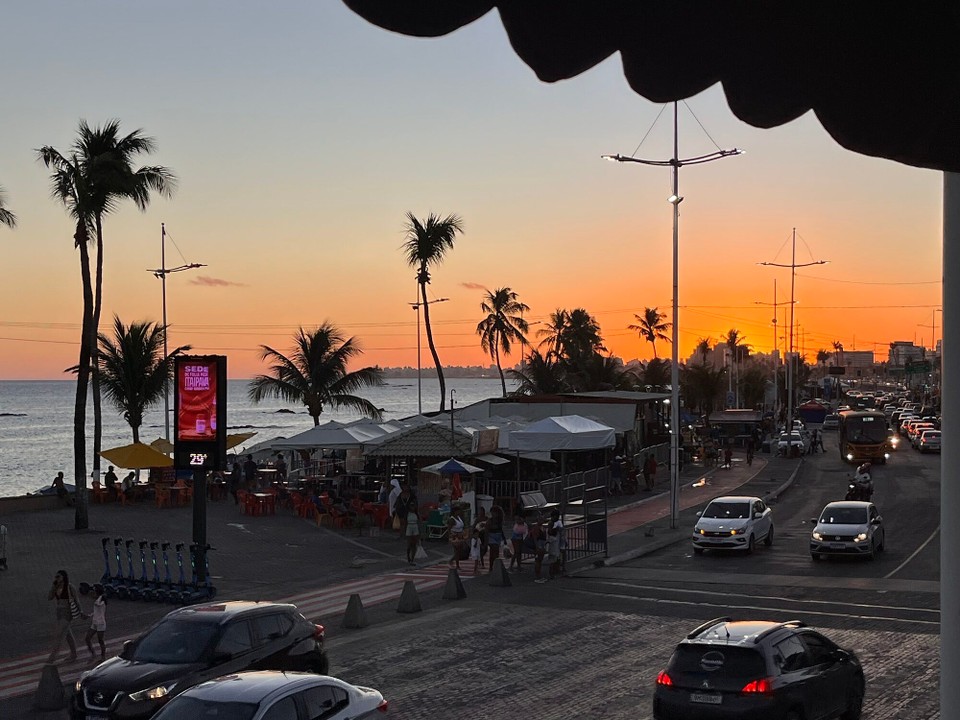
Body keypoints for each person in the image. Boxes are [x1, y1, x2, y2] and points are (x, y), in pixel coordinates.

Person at [48, 569, 80, 663]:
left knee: (60, 634)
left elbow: (77, 600)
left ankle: (52, 658)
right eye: (56, 577)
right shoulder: (56, 587)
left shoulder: (69, 587)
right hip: (60, 612)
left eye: (59, 576)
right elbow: (49, 597)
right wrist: (54, 586)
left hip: (67, 613)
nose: (56, 578)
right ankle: (74, 654)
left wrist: (81, 611)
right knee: (68, 634)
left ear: (63, 577)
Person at [85, 583, 107, 660]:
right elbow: (96, 611)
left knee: (100, 640)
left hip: (100, 623)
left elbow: (98, 605)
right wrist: (89, 615)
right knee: (87, 638)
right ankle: (93, 654)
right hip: (95, 622)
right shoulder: (99, 599)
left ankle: (103, 656)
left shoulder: (101, 600)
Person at [485, 504, 506, 570]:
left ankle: (495, 566)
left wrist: (504, 538)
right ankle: (491, 567)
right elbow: (486, 531)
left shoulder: (499, 520)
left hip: (498, 536)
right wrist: (486, 541)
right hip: (491, 536)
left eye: (494, 513)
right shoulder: (489, 521)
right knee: (493, 550)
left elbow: (501, 530)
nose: (493, 514)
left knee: (496, 553)